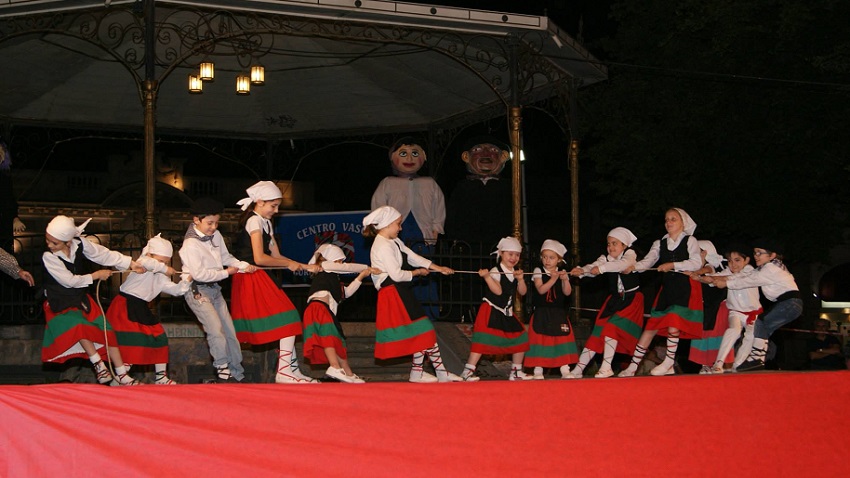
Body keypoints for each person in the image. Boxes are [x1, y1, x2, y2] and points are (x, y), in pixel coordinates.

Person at [231, 181, 319, 384]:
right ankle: (285, 371)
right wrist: (292, 264)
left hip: (261, 276)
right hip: (251, 276)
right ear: (260, 202)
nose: (276, 210)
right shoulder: (254, 221)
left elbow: (276, 255)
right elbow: (260, 258)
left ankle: (290, 370)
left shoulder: (265, 222)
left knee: (289, 320)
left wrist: (302, 266)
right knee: (289, 319)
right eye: (273, 205)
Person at [362, 205, 461, 383]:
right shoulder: (383, 245)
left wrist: (437, 268)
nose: (400, 228)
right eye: (398, 224)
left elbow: (412, 256)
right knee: (424, 329)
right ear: (387, 224)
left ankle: (420, 373)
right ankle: (438, 373)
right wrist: (418, 273)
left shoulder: (393, 241)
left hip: (398, 290)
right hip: (393, 291)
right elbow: (397, 274)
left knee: (421, 331)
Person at [41, 215, 141, 385]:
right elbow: (69, 281)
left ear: (68, 242)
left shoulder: (80, 244)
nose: (49, 245)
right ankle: (99, 366)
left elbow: (103, 255)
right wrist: (96, 275)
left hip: (80, 297)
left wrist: (130, 263)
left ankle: (122, 374)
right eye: (47, 240)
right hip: (60, 300)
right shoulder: (49, 257)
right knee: (79, 326)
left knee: (106, 330)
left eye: (54, 242)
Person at [618, 208, 704, 377]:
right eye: (666, 219)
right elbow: (649, 260)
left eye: (673, 219)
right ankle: (633, 367)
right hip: (667, 289)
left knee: (674, 323)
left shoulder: (690, 240)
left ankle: (669, 361)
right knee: (651, 328)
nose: (669, 222)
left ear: (683, 222)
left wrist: (672, 265)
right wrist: (634, 267)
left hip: (684, 287)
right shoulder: (660, 243)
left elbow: (696, 263)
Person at [179, 197, 255, 383]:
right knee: (215, 329)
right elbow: (199, 275)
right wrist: (227, 272)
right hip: (197, 291)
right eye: (209, 223)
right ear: (196, 220)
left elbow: (225, 256)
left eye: (216, 222)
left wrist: (243, 265)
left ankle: (236, 372)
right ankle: (222, 368)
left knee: (230, 331)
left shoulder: (216, 235)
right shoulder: (190, 245)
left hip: (215, 289)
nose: (213, 227)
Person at [370, 137, 444, 319]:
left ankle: (429, 313)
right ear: (393, 158)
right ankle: (403, 313)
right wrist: (381, 229)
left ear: (423, 158)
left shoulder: (430, 183)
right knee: (399, 273)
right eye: (403, 153)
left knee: (426, 274)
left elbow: (439, 207)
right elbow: (377, 207)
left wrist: (436, 228)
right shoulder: (387, 182)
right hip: (396, 235)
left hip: (423, 233)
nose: (409, 158)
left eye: (415, 153)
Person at [703, 238, 802, 371]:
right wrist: (709, 278)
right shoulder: (764, 268)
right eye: (755, 252)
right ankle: (752, 360)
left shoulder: (771, 268)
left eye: (760, 253)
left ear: (772, 255)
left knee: (760, 322)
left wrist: (726, 283)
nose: (756, 256)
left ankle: (756, 358)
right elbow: (739, 277)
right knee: (763, 328)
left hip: (790, 303)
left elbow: (749, 280)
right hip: (788, 304)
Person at [105, 234, 191, 385]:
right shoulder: (141, 264)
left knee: (159, 337)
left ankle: (161, 377)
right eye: (160, 261)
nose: (163, 264)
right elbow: (148, 262)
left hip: (141, 306)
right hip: (126, 304)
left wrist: (186, 281)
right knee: (133, 340)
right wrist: (164, 268)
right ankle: (121, 376)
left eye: (166, 262)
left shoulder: (160, 276)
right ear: (150, 254)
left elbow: (177, 291)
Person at [569, 227, 645, 378]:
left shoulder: (630, 254)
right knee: (597, 332)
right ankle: (578, 369)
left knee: (611, 328)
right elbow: (593, 266)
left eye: (614, 243)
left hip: (631, 300)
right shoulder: (606, 258)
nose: (610, 247)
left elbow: (622, 265)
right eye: (608, 244)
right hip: (614, 300)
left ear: (624, 245)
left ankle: (606, 366)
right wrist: (582, 271)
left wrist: (602, 269)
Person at [303, 243, 379, 383]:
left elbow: (347, 293)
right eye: (338, 260)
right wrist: (366, 267)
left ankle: (348, 373)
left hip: (323, 310)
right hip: (318, 308)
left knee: (338, 341)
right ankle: (334, 366)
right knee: (330, 337)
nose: (341, 263)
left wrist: (361, 276)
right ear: (330, 259)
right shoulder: (325, 266)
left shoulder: (334, 281)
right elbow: (346, 268)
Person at [461, 236, 532, 381]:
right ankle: (467, 372)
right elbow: (498, 291)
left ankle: (516, 372)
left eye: (517, 255)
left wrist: (520, 280)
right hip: (491, 309)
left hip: (506, 311)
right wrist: (487, 277)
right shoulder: (495, 270)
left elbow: (523, 292)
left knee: (521, 337)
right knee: (482, 340)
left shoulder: (516, 272)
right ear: (501, 254)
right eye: (510, 254)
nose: (513, 258)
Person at [692, 244, 762, 373]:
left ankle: (738, 364)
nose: (733, 264)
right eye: (730, 261)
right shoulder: (728, 271)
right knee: (733, 330)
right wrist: (698, 278)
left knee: (751, 335)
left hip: (753, 312)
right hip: (735, 311)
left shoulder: (750, 270)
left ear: (746, 261)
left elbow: (730, 278)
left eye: (737, 260)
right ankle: (718, 363)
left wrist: (711, 278)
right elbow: (714, 279)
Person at [444, 137, 512, 247]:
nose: (486, 154)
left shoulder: (508, 186)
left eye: (493, 150)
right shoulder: (463, 186)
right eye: (477, 150)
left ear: (503, 156)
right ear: (466, 157)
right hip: (468, 244)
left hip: (499, 243)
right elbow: (453, 214)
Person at [525, 239, 578, 379]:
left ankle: (564, 368)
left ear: (559, 260)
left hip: (558, 312)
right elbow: (541, 290)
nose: (547, 260)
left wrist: (565, 280)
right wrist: (553, 279)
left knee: (561, 339)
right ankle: (538, 369)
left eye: (551, 257)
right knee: (540, 340)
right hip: (542, 311)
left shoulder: (561, 272)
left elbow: (567, 293)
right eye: (545, 257)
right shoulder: (538, 271)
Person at [688, 240, 733, 374]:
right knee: (705, 335)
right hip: (705, 309)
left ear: (705, 253)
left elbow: (709, 269)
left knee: (718, 335)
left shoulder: (713, 266)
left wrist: (698, 271)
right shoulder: (695, 268)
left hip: (719, 308)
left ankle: (720, 364)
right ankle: (706, 364)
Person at [0, 139, 26, 252]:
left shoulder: (5, 179)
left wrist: (15, 219)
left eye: (2, 152)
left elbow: (9, 202)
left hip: (3, 232)